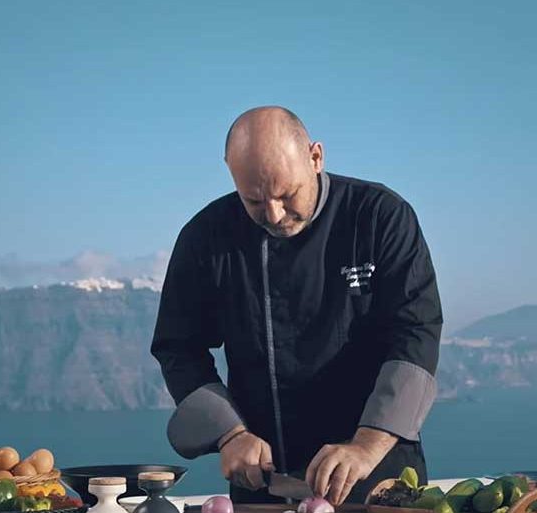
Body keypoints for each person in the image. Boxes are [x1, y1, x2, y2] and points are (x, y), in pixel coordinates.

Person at [151, 106, 442, 505]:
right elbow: (178, 347)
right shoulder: (205, 237)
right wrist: (229, 434)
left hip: (378, 476)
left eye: (287, 194)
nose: (274, 214)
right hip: (262, 483)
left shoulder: (380, 216)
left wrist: (367, 445)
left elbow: (416, 332)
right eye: (254, 200)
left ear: (316, 157)